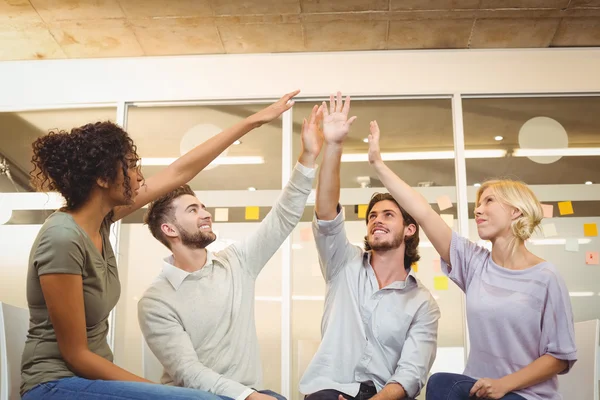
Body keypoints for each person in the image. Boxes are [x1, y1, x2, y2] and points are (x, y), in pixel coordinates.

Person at [20, 91, 299, 400]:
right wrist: (155, 393)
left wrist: (253, 121)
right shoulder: (62, 239)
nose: (140, 177)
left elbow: (180, 171)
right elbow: (76, 355)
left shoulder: (100, 220)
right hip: (53, 385)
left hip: (90, 383)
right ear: (102, 178)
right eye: (131, 166)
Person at [364, 120, 577, 400]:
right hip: (479, 391)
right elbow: (424, 212)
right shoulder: (475, 264)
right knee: (440, 383)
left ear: (515, 211)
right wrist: (378, 164)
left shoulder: (545, 276)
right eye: (478, 204)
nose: (478, 210)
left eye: (489, 201)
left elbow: (560, 356)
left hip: (526, 396)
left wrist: (505, 384)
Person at [137, 104, 324, 400]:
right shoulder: (156, 301)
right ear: (169, 230)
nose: (206, 214)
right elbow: (189, 372)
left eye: (203, 206)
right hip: (196, 397)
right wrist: (249, 396)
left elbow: (284, 216)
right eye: (193, 209)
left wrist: (308, 157)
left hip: (251, 394)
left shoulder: (237, 263)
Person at [299, 92, 440, 400]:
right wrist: (334, 145)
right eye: (372, 216)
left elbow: (411, 373)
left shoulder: (422, 303)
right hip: (328, 390)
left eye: (388, 215)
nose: (377, 219)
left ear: (409, 230)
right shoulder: (342, 263)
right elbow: (326, 212)